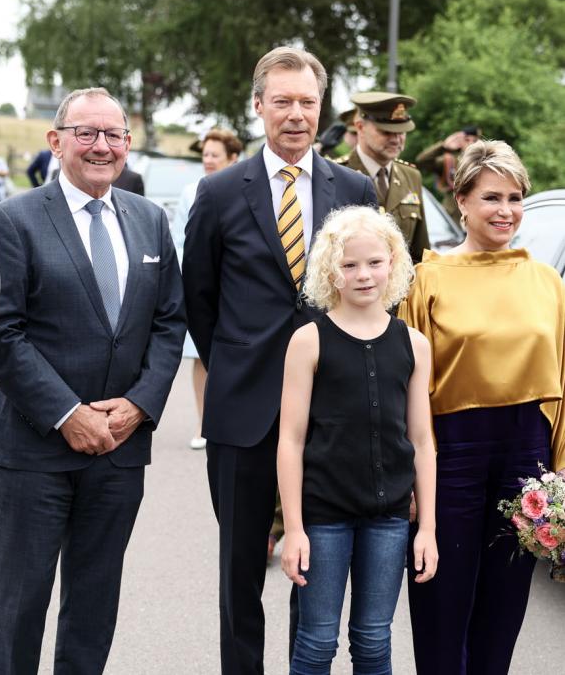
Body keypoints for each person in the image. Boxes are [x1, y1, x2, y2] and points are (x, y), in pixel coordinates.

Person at [183, 46, 376, 675]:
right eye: (283, 101)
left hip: (330, 418)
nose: (296, 114)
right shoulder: (217, 193)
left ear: (322, 108)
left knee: (313, 572)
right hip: (243, 416)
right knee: (241, 571)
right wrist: (240, 367)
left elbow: (369, 294)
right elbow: (200, 301)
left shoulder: (354, 190)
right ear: (259, 105)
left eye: (308, 101)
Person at [0, 87, 186, 674]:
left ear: (127, 143)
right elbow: (3, 333)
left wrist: (139, 407)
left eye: (114, 134)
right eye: (86, 133)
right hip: (32, 451)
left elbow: (169, 324)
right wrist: (70, 414)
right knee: (19, 610)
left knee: (94, 607)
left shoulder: (149, 220)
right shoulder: (11, 220)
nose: (101, 146)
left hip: (119, 452)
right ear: (56, 141)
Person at [399, 139, 565, 675]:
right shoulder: (426, 278)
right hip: (450, 452)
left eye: (516, 198)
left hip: (527, 453)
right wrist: (407, 475)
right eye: (492, 197)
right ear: (461, 200)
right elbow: (406, 384)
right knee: (441, 597)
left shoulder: (545, 281)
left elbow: (562, 378)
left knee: (505, 603)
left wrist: (560, 471)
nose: (506, 211)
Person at [278, 206, 438, 673]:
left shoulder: (414, 344)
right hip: (323, 517)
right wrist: (293, 529)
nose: (363, 275)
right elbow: (290, 439)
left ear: (393, 262)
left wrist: (425, 527)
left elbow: (422, 439)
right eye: (349, 265)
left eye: (374, 262)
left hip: (388, 519)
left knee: (373, 640)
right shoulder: (309, 341)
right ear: (331, 271)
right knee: (316, 641)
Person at [172, 128, 243, 450]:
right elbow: (181, 241)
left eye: (215, 155)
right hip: (203, 284)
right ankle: (203, 423)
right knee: (201, 357)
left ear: (233, 158)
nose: (209, 161)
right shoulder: (192, 191)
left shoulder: (246, 188)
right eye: (205, 156)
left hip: (235, 288)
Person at [335, 91, 430, 264]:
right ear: (360, 127)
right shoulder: (335, 174)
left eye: (401, 132)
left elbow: (420, 253)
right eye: (386, 131)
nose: (396, 139)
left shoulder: (411, 176)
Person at [416, 126, 481, 225]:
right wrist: (443, 147)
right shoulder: (449, 161)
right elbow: (422, 161)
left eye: (474, 140)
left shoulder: (485, 162)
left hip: (477, 213)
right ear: (461, 142)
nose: (471, 143)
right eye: (467, 139)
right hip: (452, 216)